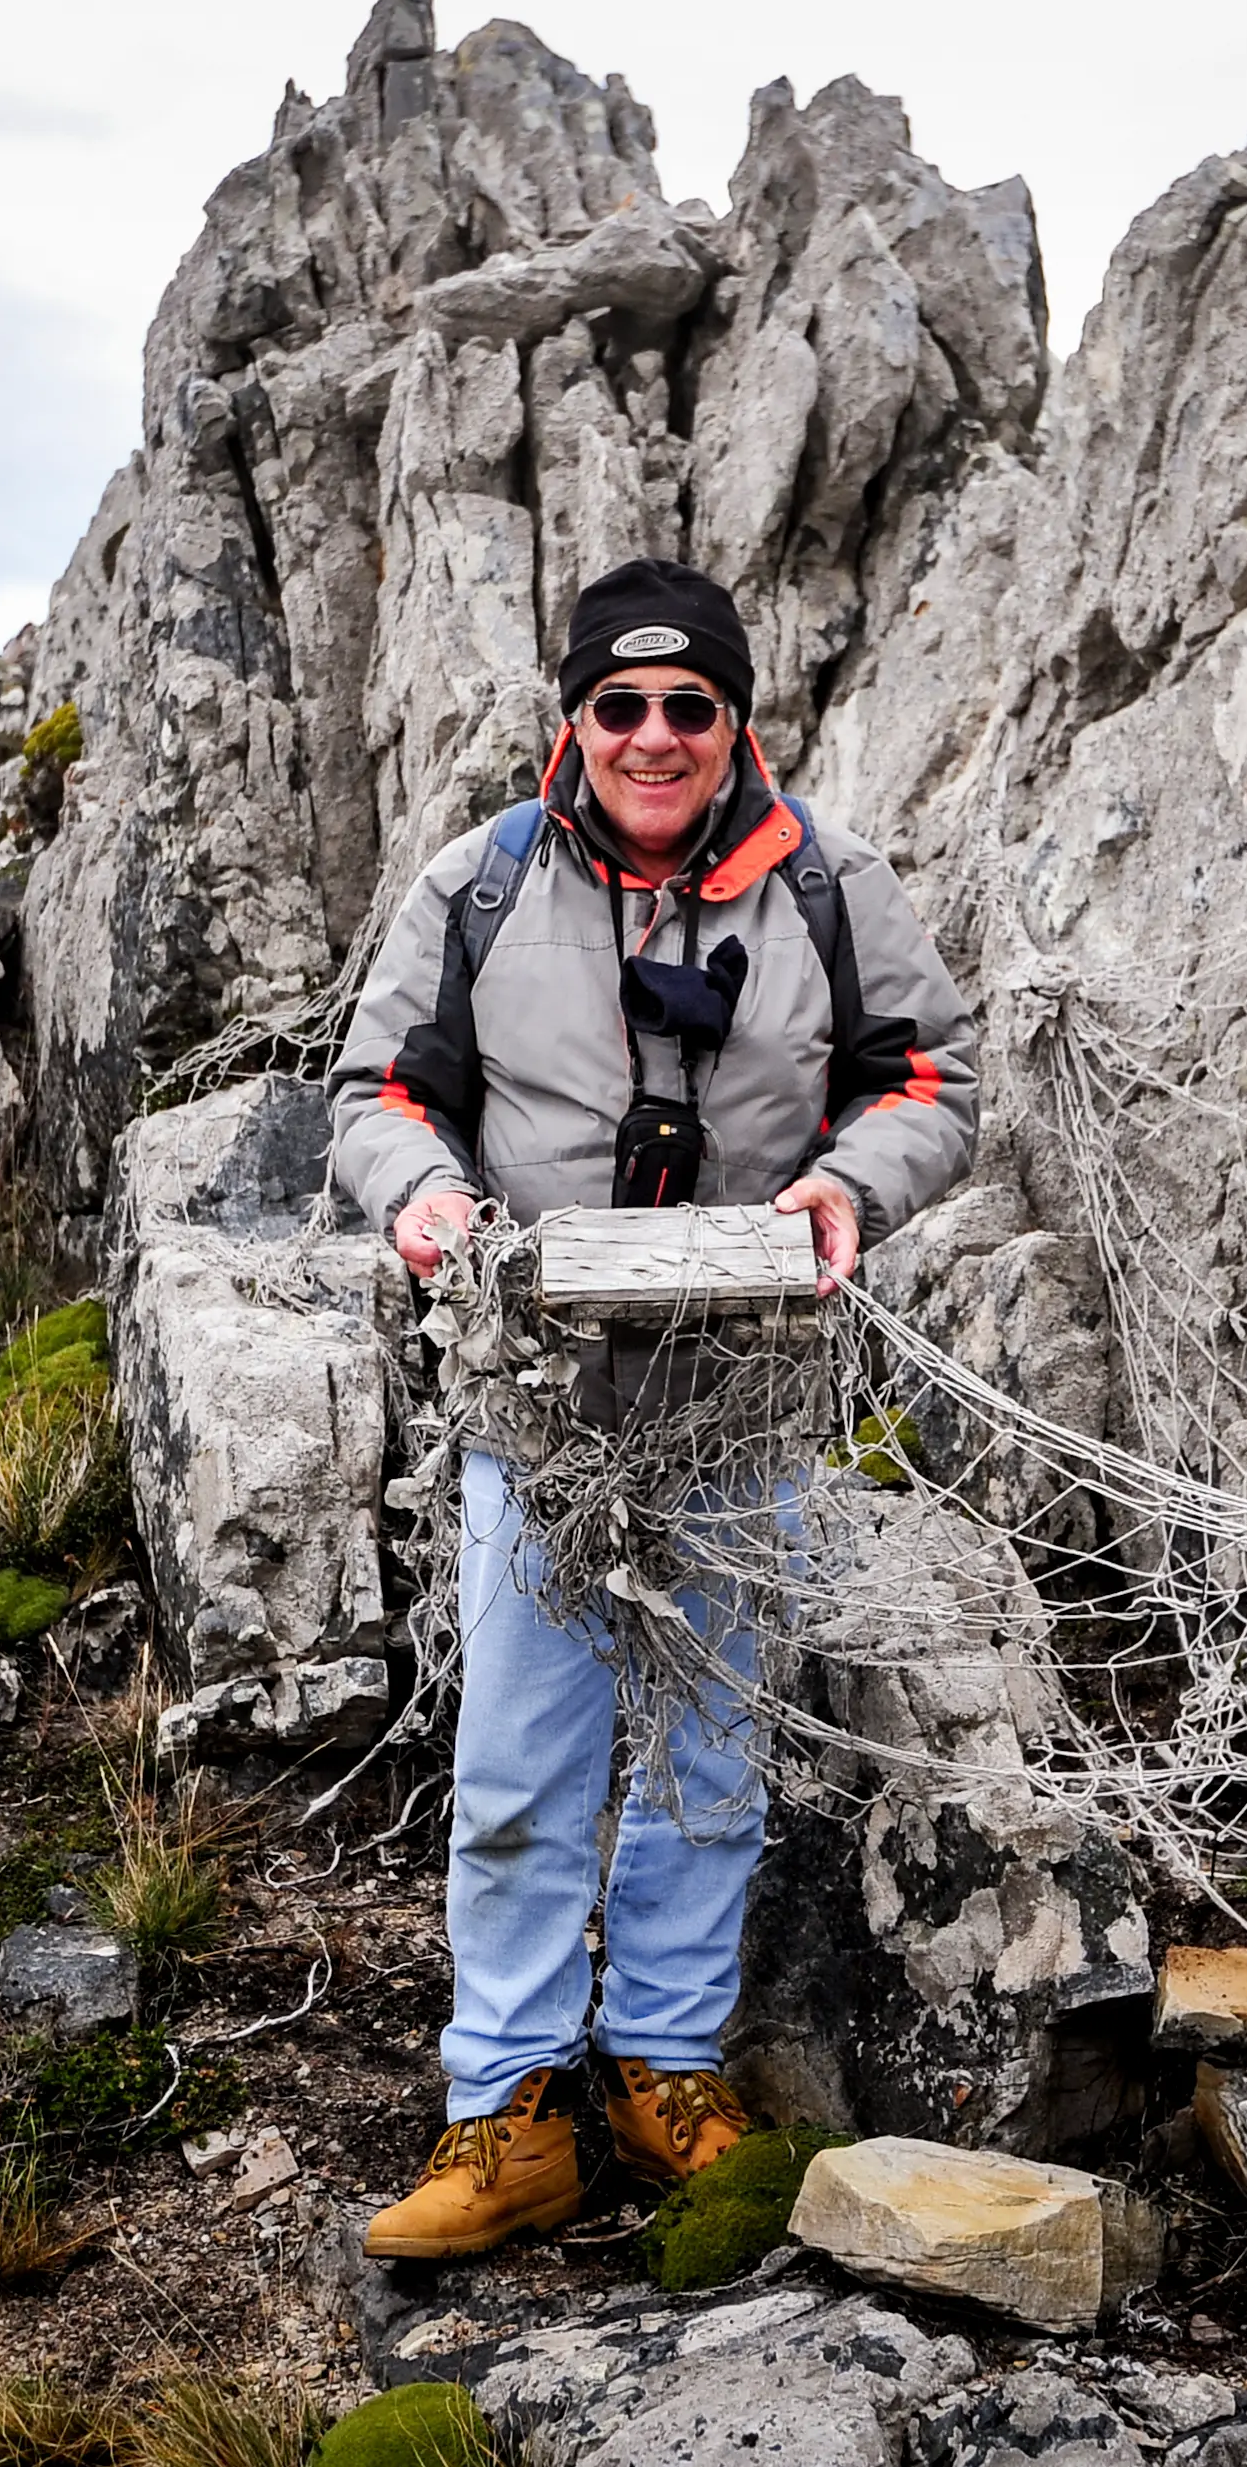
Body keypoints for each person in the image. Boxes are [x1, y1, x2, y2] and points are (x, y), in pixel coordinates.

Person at [326, 557, 980, 2258]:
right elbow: (379, 1090)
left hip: (745, 1401)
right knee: (521, 1763)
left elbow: (927, 1080)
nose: (655, 734)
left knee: (709, 1755)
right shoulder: (478, 884)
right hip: (538, 1405)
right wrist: (421, 1196)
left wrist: (850, 1190)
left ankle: (666, 2069)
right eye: (620, 704)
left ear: (736, 718)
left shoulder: (828, 884)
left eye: (690, 704)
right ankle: (508, 2113)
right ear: (575, 719)